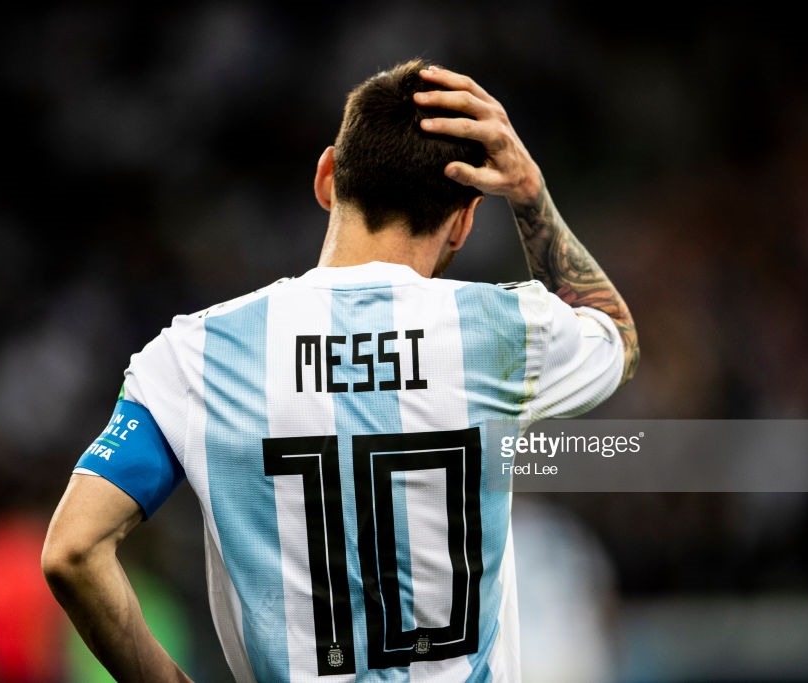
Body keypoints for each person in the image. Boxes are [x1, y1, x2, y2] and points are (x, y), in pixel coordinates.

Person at [41, 58, 639, 682]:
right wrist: (529, 192)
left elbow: (72, 551)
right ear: (464, 221)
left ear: (327, 176)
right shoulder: (504, 331)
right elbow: (615, 334)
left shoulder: (195, 355)